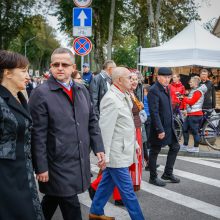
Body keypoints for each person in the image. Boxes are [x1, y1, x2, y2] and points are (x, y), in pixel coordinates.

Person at [29, 48, 105, 220]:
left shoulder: (82, 90)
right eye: (56, 64)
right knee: (70, 203)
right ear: (50, 67)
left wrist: (98, 147)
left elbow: (92, 121)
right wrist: (40, 166)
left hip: (78, 157)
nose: (60, 68)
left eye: (65, 64)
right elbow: (37, 134)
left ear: (73, 67)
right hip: (56, 162)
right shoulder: (40, 93)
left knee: (53, 199)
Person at [89, 67, 145, 220]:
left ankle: (95, 211)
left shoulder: (124, 94)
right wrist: (104, 157)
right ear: (119, 80)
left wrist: (135, 144)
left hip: (123, 149)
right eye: (129, 77)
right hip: (116, 153)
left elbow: (126, 125)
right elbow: (105, 131)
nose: (133, 80)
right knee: (128, 192)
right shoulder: (111, 99)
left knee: (107, 183)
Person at [0, 50, 44, 220]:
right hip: (6, 178)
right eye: (23, 70)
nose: (28, 75)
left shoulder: (19, 96)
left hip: (22, 173)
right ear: (7, 73)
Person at [148, 67, 180, 187]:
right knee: (155, 151)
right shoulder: (154, 90)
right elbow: (154, 112)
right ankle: (153, 177)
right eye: (165, 77)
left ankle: (167, 173)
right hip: (159, 127)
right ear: (158, 77)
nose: (167, 80)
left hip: (169, 126)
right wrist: (159, 129)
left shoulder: (166, 88)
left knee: (175, 146)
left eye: (169, 77)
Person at [181, 76, 207, 153]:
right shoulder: (194, 90)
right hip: (191, 114)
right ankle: (185, 145)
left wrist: (183, 98)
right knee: (184, 129)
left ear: (195, 83)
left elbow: (192, 101)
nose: (189, 83)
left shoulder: (198, 92)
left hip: (195, 114)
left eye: (191, 82)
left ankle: (196, 148)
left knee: (195, 132)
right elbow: (189, 101)